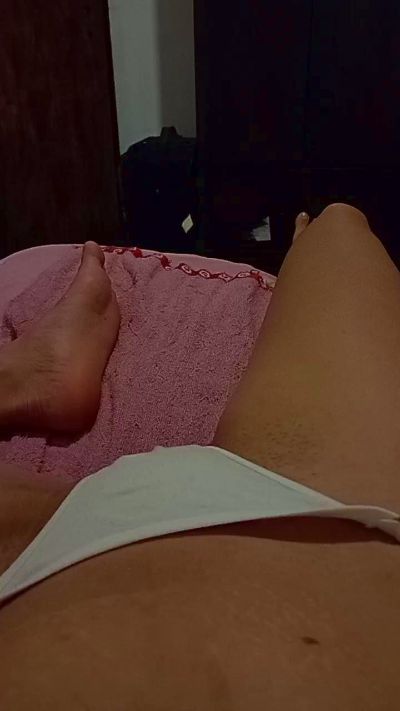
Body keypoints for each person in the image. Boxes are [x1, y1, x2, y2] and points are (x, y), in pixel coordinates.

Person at [0, 203, 400, 709]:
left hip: (45, 586)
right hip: (341, 535)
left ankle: (17, 381)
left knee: (335, 230)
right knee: (338, 226)